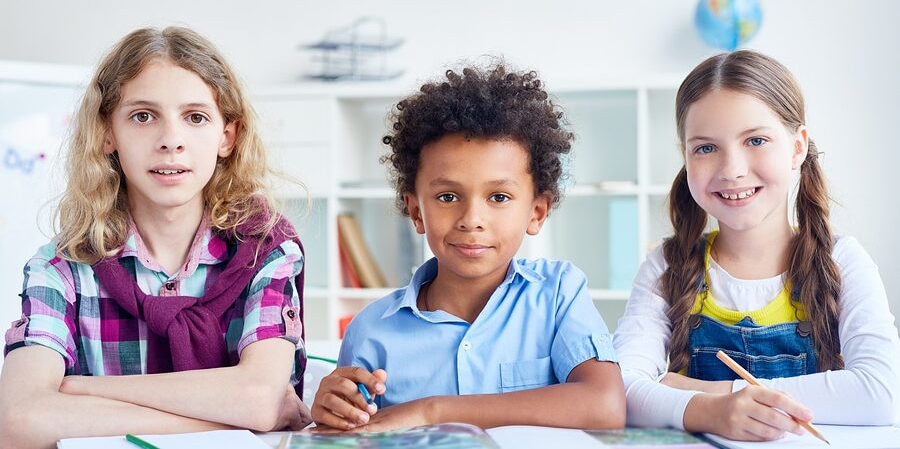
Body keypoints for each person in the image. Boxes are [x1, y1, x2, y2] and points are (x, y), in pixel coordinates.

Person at [0, 27, 311, 448]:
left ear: (227, 136)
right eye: (143, 116)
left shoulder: (267, 253)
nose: (170, 141)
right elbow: (18, 419)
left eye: (196, 117)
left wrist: (83, 390)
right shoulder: (60, 268)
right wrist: (231, 416)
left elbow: (258, 397)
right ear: (106, 133)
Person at [311, 63, 625, 431]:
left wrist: (433, 411)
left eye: (498, 196)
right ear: (416, 211)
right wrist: (332, 414)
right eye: (447, 196)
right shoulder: (371, 331)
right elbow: (351, 433)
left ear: (536, 212)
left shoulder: (558, 294)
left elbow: (605, 406)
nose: (471, 218)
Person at [613, 50, 900, 441]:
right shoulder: (666, 265)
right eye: (705, 147)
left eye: (756, 140)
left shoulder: (842, 261)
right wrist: (712, 413)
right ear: (686, 156)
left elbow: (881, 395)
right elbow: (620, 391)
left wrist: (710, 394)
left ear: (797, 146)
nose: (732, 169)